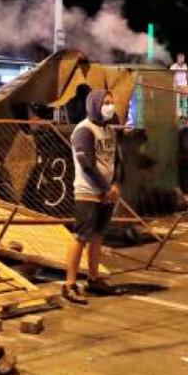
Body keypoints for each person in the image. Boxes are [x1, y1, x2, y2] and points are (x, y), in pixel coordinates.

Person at [64, 89, 120, 304]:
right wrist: (106, 188)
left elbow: (116, 160)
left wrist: (114, 184)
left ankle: (93, 279)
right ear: (94, 104)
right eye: (105, 102)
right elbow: (86, 163)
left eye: (111, 102)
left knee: (97, 236)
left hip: (105, 194)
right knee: (80, 237)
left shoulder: (109, 131)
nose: (109, 106)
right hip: (88, 193)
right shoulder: (83, 131)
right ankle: (69, 284)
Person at [171, 52, 188, 117]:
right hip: (177, 86)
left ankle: (184, 114)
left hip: (184, 85)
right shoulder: (174, 66)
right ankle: (178, 114)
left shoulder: (185, 66)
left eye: (183, 58)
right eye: (180, 58)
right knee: (178, 100)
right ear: (177, 59)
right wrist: (175, 84)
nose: (182, 59)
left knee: (184, 100)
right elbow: (171, 75)